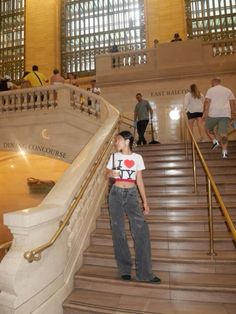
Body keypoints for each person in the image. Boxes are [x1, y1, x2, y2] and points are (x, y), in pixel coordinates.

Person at [106, 130, 161, 283]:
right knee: (119, 232)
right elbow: (107, 174)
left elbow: (140, 181)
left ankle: (145, 273)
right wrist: (111, 174)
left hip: (131, 195)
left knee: (141, 231)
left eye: (118, 140)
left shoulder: (138, 158)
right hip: (115, 194)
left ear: (127, 141)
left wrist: (145, 202)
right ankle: (125, 269)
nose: (116, 143)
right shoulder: (114, 157)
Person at [203, 78, 235, 158]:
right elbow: (232, 103)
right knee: (223, 134)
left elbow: (207, 102)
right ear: (220, 82)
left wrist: (205, 113)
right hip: (225, 114)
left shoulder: (211, 90)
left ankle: (215, 141)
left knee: (207, 128)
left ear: (213, 83)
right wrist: (233, 113)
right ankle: (224, 152)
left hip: (213, 113)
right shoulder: (228, 90)